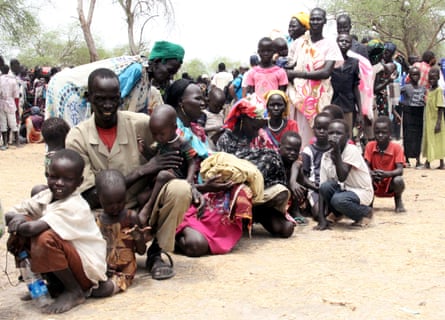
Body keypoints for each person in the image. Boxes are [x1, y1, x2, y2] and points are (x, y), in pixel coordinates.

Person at [66, 68, 192, 280]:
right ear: (89, 98)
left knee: (180, 189)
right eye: (100, 99)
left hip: (143, 207)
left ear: (120, 97)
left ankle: (156, 252)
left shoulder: (141, 124)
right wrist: (144, 169)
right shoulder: (77, 138)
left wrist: (184, 175)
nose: (107, 105)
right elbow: (88, 196)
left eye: (113, 99)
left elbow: (176, 150)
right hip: (102, 214)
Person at [5, 149, 112, 314]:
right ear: (47, 175)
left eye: (67, 179)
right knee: (23, 230)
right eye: (54, 177)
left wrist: (19, 221)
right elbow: (10, 213)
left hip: (86, 271)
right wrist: (19, 219)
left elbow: (30, 228)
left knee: (44, 238)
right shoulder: (46, 196)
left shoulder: (75, 205)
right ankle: (52, 285)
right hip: (69, 261)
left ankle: (74, 291)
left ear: (79, 182)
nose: (59, 183)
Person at [45, 41, 184, 126]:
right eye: (170, 70)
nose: (170, 76)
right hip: (71, 89)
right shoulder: (135, 70)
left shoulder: (147, 80)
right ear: (157, 61)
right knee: (75, 139)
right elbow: (113, 100)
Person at [217, 97, 295, 238]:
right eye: (255, 127)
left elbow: (276, 164)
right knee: (266, 159)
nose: (257, 131)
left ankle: (257, 212)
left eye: (260, 127)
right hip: (236, 192)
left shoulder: (260, 136)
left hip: (259, 191)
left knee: (287, 228)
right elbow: (227, 174)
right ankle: (246, 214)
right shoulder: (226, 140)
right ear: (243, 120)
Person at [286, 7, 344, 148]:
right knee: (297, 129)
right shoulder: (298, 43)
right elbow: (289, 65)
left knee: (318, 130)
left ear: (324, 21)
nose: (315, 22)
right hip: (297, 96)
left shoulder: (331, 45)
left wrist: (298, 74)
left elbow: (326, 72)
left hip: (318, 97)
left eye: (318, 19)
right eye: (313, 19)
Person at [137, 104, 198, 227]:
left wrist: (189, 180)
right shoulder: (161, 143)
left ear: (174, 128)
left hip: (177, 179)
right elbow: (154, 160)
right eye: (154, 134)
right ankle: (146, 225)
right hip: (161, 182)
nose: (157, 138)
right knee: (141, 198)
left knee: (163, 175)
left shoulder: (182, 143)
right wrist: (145, 150)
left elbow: (193, 162)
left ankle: (147, 209)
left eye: (161, 134)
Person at [95, 169, 151, 292]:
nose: (116, 207)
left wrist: (138, 237)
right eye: (109, 203)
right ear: (99, 199)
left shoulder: (131, 217)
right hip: (103, 269)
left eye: (120, 202)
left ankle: (108, 287)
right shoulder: (97, 221)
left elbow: (142, 251)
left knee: (105, 289)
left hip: (125, 271)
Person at [316, 119, 374, 230]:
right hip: (344, 190)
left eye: (339, 133)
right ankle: (338, 214)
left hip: (361, 191)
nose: (334, 136)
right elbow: (322, 189)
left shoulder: (351, 150)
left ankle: (365, 213)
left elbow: (342, 177)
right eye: (331, 133)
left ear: (347, 136)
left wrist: (337, 152)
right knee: (325, 187)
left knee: (338, 200)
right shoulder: (326, 156)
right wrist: (321, 219)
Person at [364, 116, 405, 212]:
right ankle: (369, 203)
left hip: (390, 182)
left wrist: (386, 174)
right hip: (375, 181)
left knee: (398, 180)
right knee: (366, 177)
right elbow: (365, 165)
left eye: (384, 132)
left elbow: (400, 170)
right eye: (377, 133)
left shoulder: (396, 148)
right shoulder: (370, 146)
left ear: (390, 133)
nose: (380, 135)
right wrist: (371, 173)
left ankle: (398, 201)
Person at [301, 112, 333, 220]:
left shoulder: (334, 150)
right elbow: (304, 178)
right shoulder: (308, 150)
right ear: (313, 129)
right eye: (319, 128)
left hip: (331, 187)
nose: (322, 131)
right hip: (315, 188)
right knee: (319, 214)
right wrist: (316, 188)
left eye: (326, 128)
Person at [331, 33, 361, 139]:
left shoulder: (354, 62)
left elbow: (355, 87)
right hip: (331, 103)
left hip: (348, 104)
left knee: (347, 135)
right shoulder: (330, 61)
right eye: (341, 41)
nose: (344, 43)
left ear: (351, 45)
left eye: (347, 41)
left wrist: (360, 112)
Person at [279, 131, 313, 224]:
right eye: (289, 149)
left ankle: (295, 210)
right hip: (278, 195)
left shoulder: (296, 162)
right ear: (279, 147)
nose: (292, 153)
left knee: (298, 172)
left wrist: (316, 187)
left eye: (296, 150)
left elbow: (302, 175)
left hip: (291, 195)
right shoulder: (276, 161)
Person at [400, 66, 426, 168]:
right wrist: (397, 106)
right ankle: (406, 158)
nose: (415, 77)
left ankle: (418, 159)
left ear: (420, 76)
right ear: (409, 76)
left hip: (419, 114)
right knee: (407, 136)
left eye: (417, 74)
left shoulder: (423, 88)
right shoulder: (406, 87)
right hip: (408, 113)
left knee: (418, 137)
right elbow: (394, 93)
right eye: (413, 75)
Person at [422, 67, 445, 169]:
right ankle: (428, 162)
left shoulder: (439, 90)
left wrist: (439, 122)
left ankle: (440, 162)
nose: (431, 80)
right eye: (430, 78)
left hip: (436, 119)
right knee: (429, 139)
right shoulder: (429, 90)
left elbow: (440, 107)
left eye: (434, 78)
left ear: (438, 78)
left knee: (439, 141)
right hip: (429, 119)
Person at [0, 64, 21, 150]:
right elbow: (16, 95)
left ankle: (5, 143)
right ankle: (17, 142)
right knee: (13, 122)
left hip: (1, 103)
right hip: (11, 103)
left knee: (3, 123)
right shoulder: (13, 80)